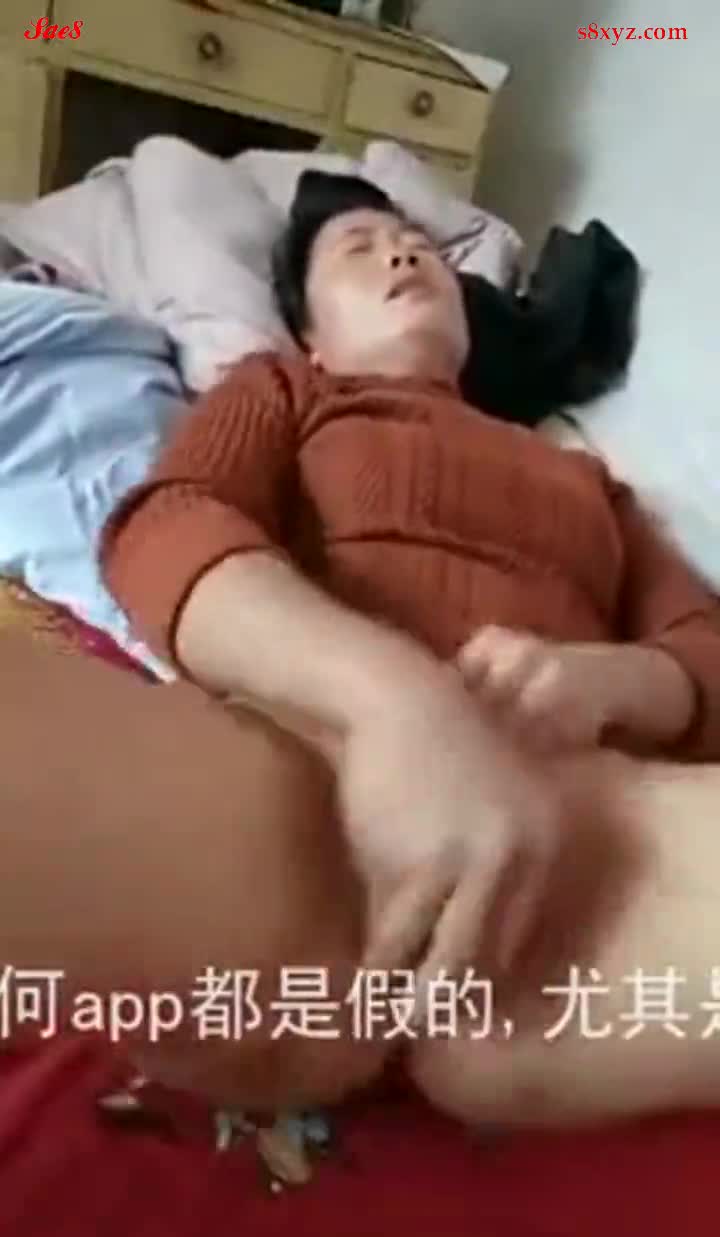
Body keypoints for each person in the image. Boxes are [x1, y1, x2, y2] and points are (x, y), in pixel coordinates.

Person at [93, 170, 720, 1125]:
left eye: (419, 246)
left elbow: (704, 647)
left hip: (573, 826)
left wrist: (619, 678)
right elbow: (169, 526)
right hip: (309, 775)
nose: (401, 252)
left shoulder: (587, 480)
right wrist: (399, 702)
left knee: (507, 1002)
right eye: (360, 248)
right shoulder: (283, 388)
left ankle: (484, 1007)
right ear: (310, 331)